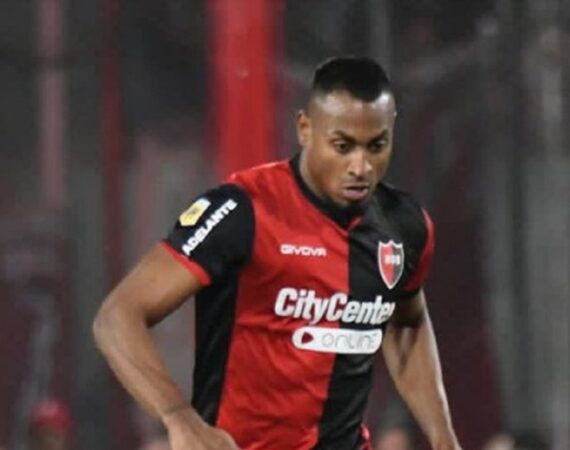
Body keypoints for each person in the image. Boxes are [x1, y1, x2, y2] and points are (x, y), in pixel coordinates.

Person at [93, 56, 463, 450]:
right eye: (342, 146)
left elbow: (407, 324)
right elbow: (117, 317)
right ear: (305, 129)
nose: (361, 166)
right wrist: (178, 417)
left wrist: (444, 438)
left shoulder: (404, 225)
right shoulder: (242, 211)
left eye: (376, 146)